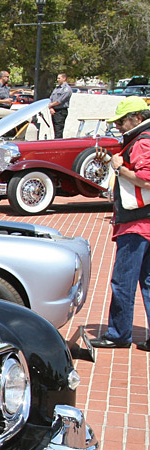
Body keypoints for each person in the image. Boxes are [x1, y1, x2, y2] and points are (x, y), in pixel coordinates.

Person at [89, 96, 150, 351]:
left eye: (122, 122)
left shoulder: (142, 142)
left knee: (122, 280)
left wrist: (119, 168)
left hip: (136, 224)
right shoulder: (142, 139)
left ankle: (119, 334)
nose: (119, 127)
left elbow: (146, 181)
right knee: (147, 281)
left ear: (136, 118)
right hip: (143, 224)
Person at [48, 72, 72, 139]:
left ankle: (58, 145)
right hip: (54, 110)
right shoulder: (57, 88)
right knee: (55, 129)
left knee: (59, 130)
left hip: (61, 111)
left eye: (59, 78)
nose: (57, 80)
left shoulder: (66, 89)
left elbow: (60, 100)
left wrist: (51, 105)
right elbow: (51, 99)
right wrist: (51, 108)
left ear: (64, 78)